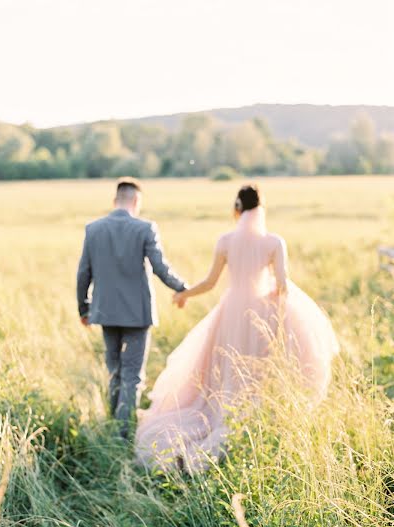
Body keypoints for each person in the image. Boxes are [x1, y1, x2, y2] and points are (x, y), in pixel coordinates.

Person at [135, 184, 339, 471]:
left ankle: (218, 418)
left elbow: (209, 282)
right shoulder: (274, 242)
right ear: (261, 208)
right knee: (258, 370)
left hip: (231, 312)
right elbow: (282, 286)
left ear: (238, 208)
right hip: (262, 313)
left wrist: (184, 294)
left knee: (223, 371)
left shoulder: (226, 240)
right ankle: (251, 422)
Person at [77, 178, 187, 438]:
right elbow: (160, 267)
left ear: (115, 200)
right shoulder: (145, 228)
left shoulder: (93, 229)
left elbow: (84, 272)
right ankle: (124, 433)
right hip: (137, 313)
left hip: (104, 311)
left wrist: (84, 308)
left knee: (114, 370)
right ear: (136, 201)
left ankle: (113, 422)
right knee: (132, 375)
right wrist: (182, 287)